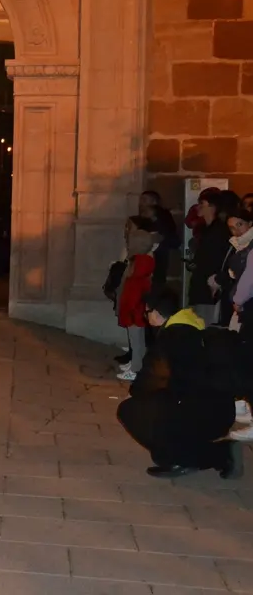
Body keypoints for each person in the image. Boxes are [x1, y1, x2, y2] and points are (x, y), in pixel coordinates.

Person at [117, 290, 243, 480]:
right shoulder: (195, 327)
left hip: (198, 413)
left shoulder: (171, 336)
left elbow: (152, 376)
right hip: (222, 412)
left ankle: (216, 455)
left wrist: (133, 394)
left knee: (129, 410)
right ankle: (178, 452)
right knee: (165, 406)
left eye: (147, 312)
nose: (146, 316)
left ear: (156, 313)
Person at [189, 190, 235, 325]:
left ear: (212, 207)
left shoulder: (220, 231)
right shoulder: (206, 229)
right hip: (201, 286)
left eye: (202, 203)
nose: (198, 207)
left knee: (206, 325)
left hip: (210, 289)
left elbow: (218, 261)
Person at [116, 227, 155, 382]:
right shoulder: (141, 260)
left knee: (137, 341)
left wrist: (130, 308)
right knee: (136, 340)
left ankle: (136, 368)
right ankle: (135, 364)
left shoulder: (141, 262)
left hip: (134, 308)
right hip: (134, 307)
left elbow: (135, 289)